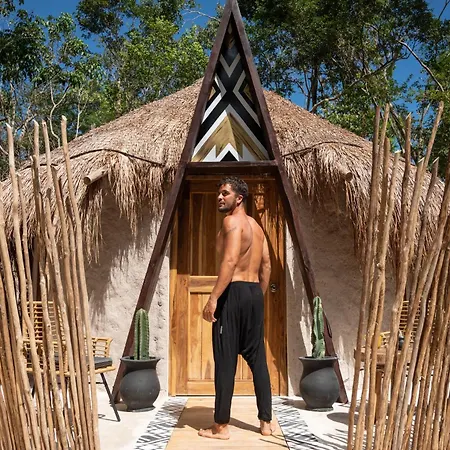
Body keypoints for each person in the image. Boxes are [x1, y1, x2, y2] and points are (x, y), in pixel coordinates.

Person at [198, 176, 274, 440]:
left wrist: (213, 298)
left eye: (225, 193)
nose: (219, 197)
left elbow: (229, 261)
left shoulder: (231, 222)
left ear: (239, 198)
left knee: (225, 360)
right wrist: (256, 295)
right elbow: (267, 265)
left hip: (233, 292)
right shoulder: (257, 228)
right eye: (219, 193)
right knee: (258, 359)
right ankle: (266, 422)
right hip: (253, 293)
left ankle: (220, 426)